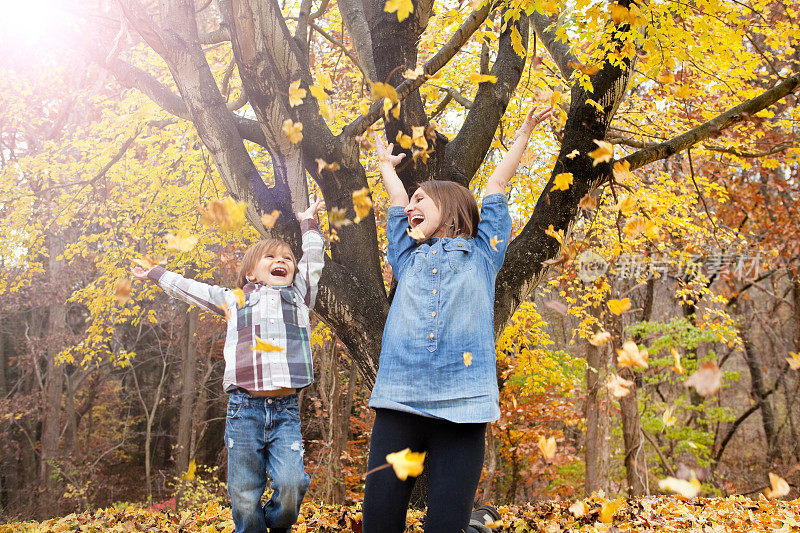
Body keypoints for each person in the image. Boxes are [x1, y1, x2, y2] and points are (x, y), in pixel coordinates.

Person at [363, 107, 553, 533]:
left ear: (448, 208)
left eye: (420, 200)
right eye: (410, 201)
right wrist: (385, 168)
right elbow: (395, 201)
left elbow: (498, 184)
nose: (410, 207)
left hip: (464, 407)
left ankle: (472, 525)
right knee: (378, 526)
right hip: (401, 401)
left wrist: (522, 134)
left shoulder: (484, 254)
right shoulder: (405, 256)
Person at [132, 200, 325, 533]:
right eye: (271, 257)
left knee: (292, 484)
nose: (281, 261)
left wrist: (309, 223)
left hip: (286, 411)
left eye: (287, 259)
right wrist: (156, 273)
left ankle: (278, 525)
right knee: (245, 496)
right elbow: (193, 290)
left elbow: (314, 261)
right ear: (250, 272)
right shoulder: (234, 299)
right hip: (243, 410)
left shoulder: (301, 295)